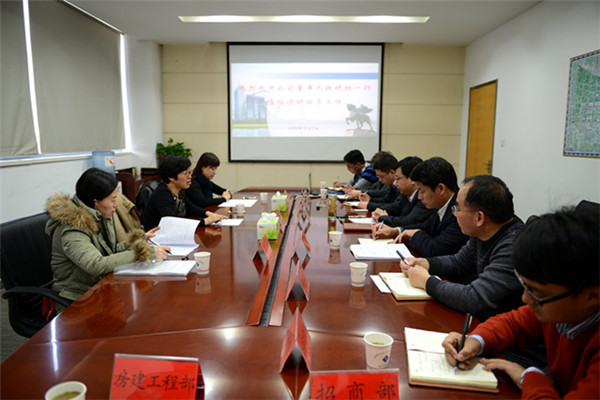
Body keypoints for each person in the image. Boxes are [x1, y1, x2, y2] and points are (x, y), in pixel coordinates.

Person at [442, 206, 599, 399]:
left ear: (591, 296)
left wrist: (527, 376)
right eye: (525, 286)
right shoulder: (560, 308)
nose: (525, 298)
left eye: (537, 292)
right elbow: (514, 323)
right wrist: (475, 340)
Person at [400, 175, 524, 320]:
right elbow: (458, 263)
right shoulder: (483, 231)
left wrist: (427, 282)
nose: (454, 213)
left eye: (458, 208)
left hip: (500, 325)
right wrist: (424, 263)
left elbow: (475, 298)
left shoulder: (513, 246)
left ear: (479, 218)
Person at [45, 168, 170, 304]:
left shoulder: (98, 214)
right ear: (95, 201)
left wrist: (140, 240)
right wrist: (146, 254)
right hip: (76, 298)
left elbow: (110, 251)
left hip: (99, 288)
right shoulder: (72, 228)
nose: (116, 205)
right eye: (113, 200)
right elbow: (96, 264)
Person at [378, 156, 468, 257]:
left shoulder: (460, 212)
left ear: (441, 189)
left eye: (422, 191)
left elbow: (434, 249)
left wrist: (415, 234)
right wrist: (397, 230)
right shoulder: (441, 204)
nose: (419, 197)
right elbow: (425, 226)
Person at [143, 155, 224, 231]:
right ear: (171, 177)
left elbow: (191, 208)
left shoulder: (179, 190)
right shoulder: (162, 195)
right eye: (186, 173)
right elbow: (173, 222)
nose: (190, 177)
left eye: (190, 172)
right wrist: (205, 221)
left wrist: (209, 214)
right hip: (158, 238)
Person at [370, 156, 433, 228]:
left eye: (398, 179)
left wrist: (383, 217)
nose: (395, 183)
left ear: (412, 179)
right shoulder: (405, 194)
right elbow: (395, 209)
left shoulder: (423, 197)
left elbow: (408, 221)